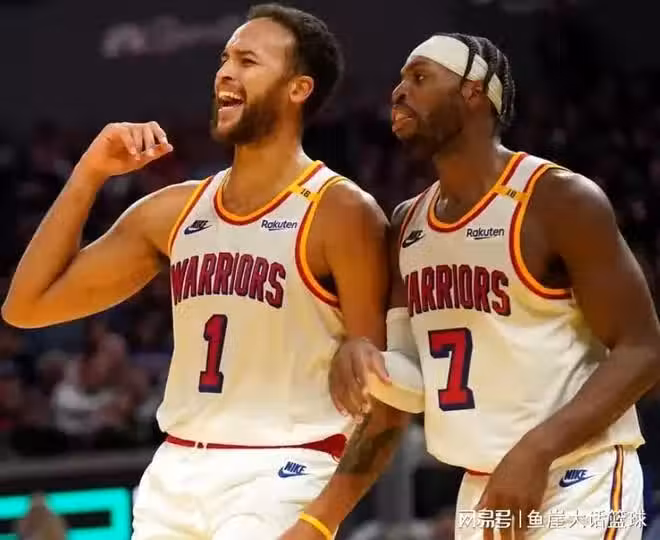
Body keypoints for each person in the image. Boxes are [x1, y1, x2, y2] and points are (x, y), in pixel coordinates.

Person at [2, 4, 408, 538]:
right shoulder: (174, 211)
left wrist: (318, 520)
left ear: (298, 88)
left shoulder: (342, 213)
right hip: (174, 471)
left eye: (248, 61)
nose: (225, 73)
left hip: (283, 467)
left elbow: (388, 398)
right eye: (224, 59)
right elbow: (26, 306)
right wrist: (89, 173)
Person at [298, 33, 660, 539]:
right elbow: (413, 378)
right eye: (400, 80)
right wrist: (367, 364)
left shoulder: (557, 199)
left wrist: (538, 449)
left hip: (576, 474)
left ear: (474, 92)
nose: (398, 91)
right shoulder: (407, 223)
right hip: (482, 487)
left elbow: (643, 349)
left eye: (420, 77)